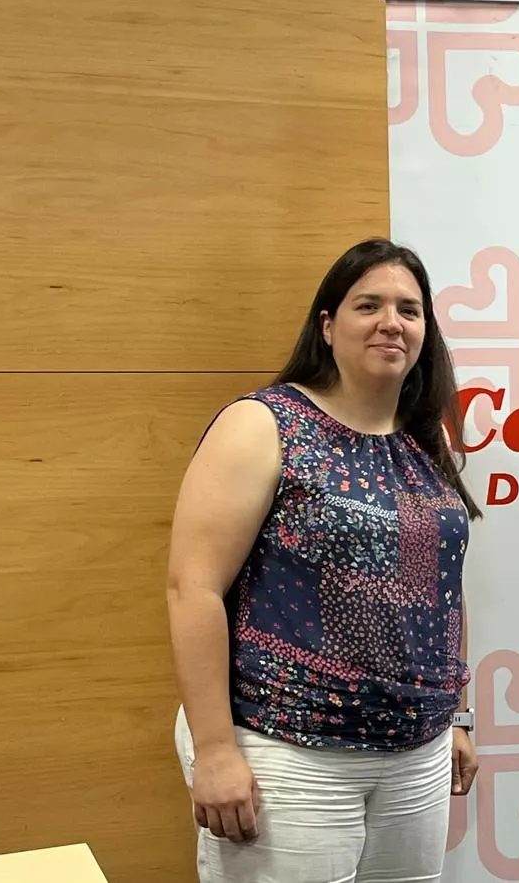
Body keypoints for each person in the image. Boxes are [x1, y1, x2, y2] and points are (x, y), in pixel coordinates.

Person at [164, 237, 485, 882]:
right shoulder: (264, 424)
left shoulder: (422, 445)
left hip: (416, 755)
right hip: (286, 748)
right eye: (369, 305)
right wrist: (216, 750)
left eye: (409, 309)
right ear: (328, 325)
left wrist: (456, 717)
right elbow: (191, 588)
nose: (391, 322)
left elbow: (438, 594)